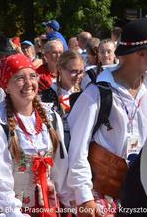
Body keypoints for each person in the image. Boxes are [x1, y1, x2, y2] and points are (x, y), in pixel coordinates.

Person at [67, 18, 147, 216]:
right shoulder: (96, 94)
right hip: (103, 197)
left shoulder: (146, 92)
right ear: (142, 53)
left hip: (140, 194)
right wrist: (85, 197)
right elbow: (77, 149)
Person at [0, 53, 73, 216]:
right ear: (6, 86)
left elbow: (61, 169)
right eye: (19, 78)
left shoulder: (51, 118)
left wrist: (70, 205)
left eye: (32, 76)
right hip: (16, 210)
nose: (28, 83)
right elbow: (1, 179)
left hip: (49, 207)